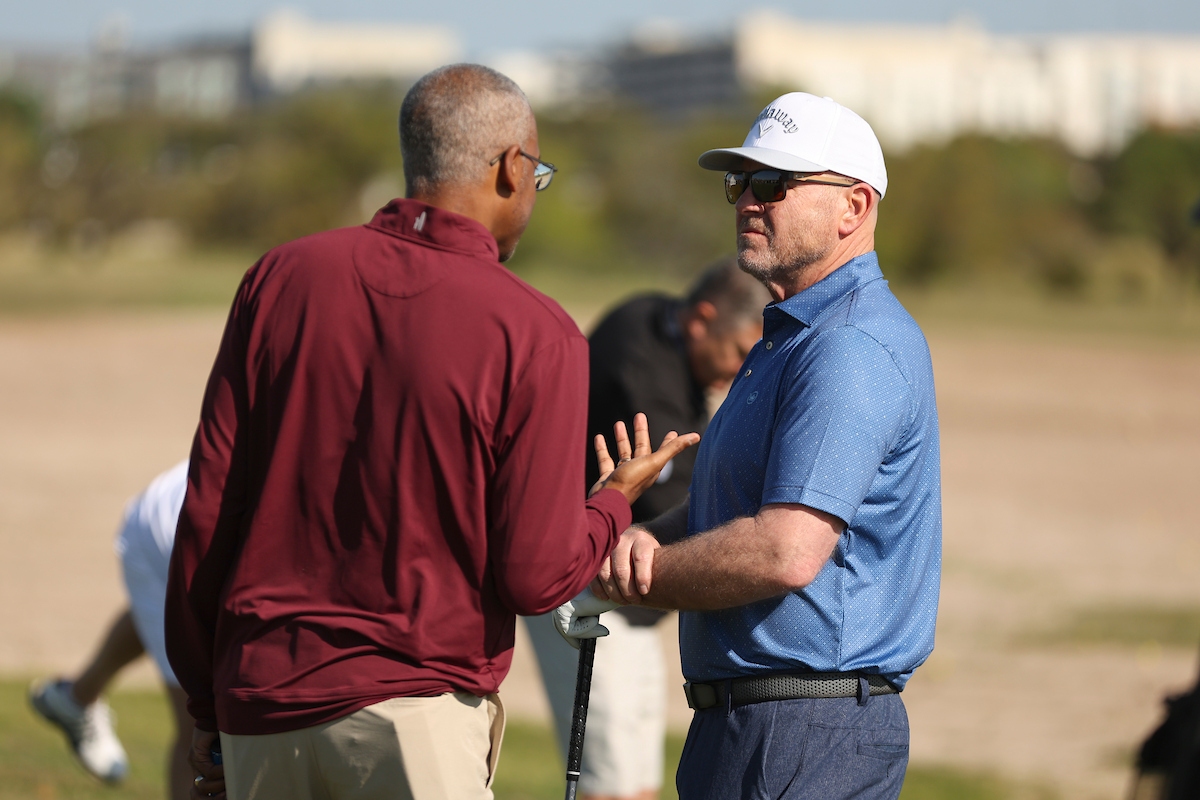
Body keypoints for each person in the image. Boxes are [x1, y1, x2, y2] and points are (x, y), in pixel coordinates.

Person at [164, 63, 697, 800]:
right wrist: (611, 501)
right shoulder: (534, 331)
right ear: (511, 168)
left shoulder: (278, 279)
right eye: (536, 175)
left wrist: (204, 703)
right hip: (412, 715)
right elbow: (534, 575)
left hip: (261, 701)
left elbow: (207, 515)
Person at [562, 92, 942, 800]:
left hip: (807, 732)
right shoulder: (787, 338)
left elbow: (785, 550)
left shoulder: (847, 347)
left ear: (853, 208)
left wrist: (647, 574)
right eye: (740, 182)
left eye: (774, 183)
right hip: (758, 727)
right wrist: (637, 541)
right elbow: (727, 505)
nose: (747, 201)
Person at [525, 257, 770, 800]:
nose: (735, 371)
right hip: (579, 590)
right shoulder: (639, 358)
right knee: (609, 784)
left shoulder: (659, 324)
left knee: (637, 781)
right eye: (734, 353)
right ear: (702, 318)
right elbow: (669, 490)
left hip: (625, 597)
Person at [30, 460, 193, 799]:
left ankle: (75, 698)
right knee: (202, 726)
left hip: (181, 530)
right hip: (165, 532)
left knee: (165, 615)